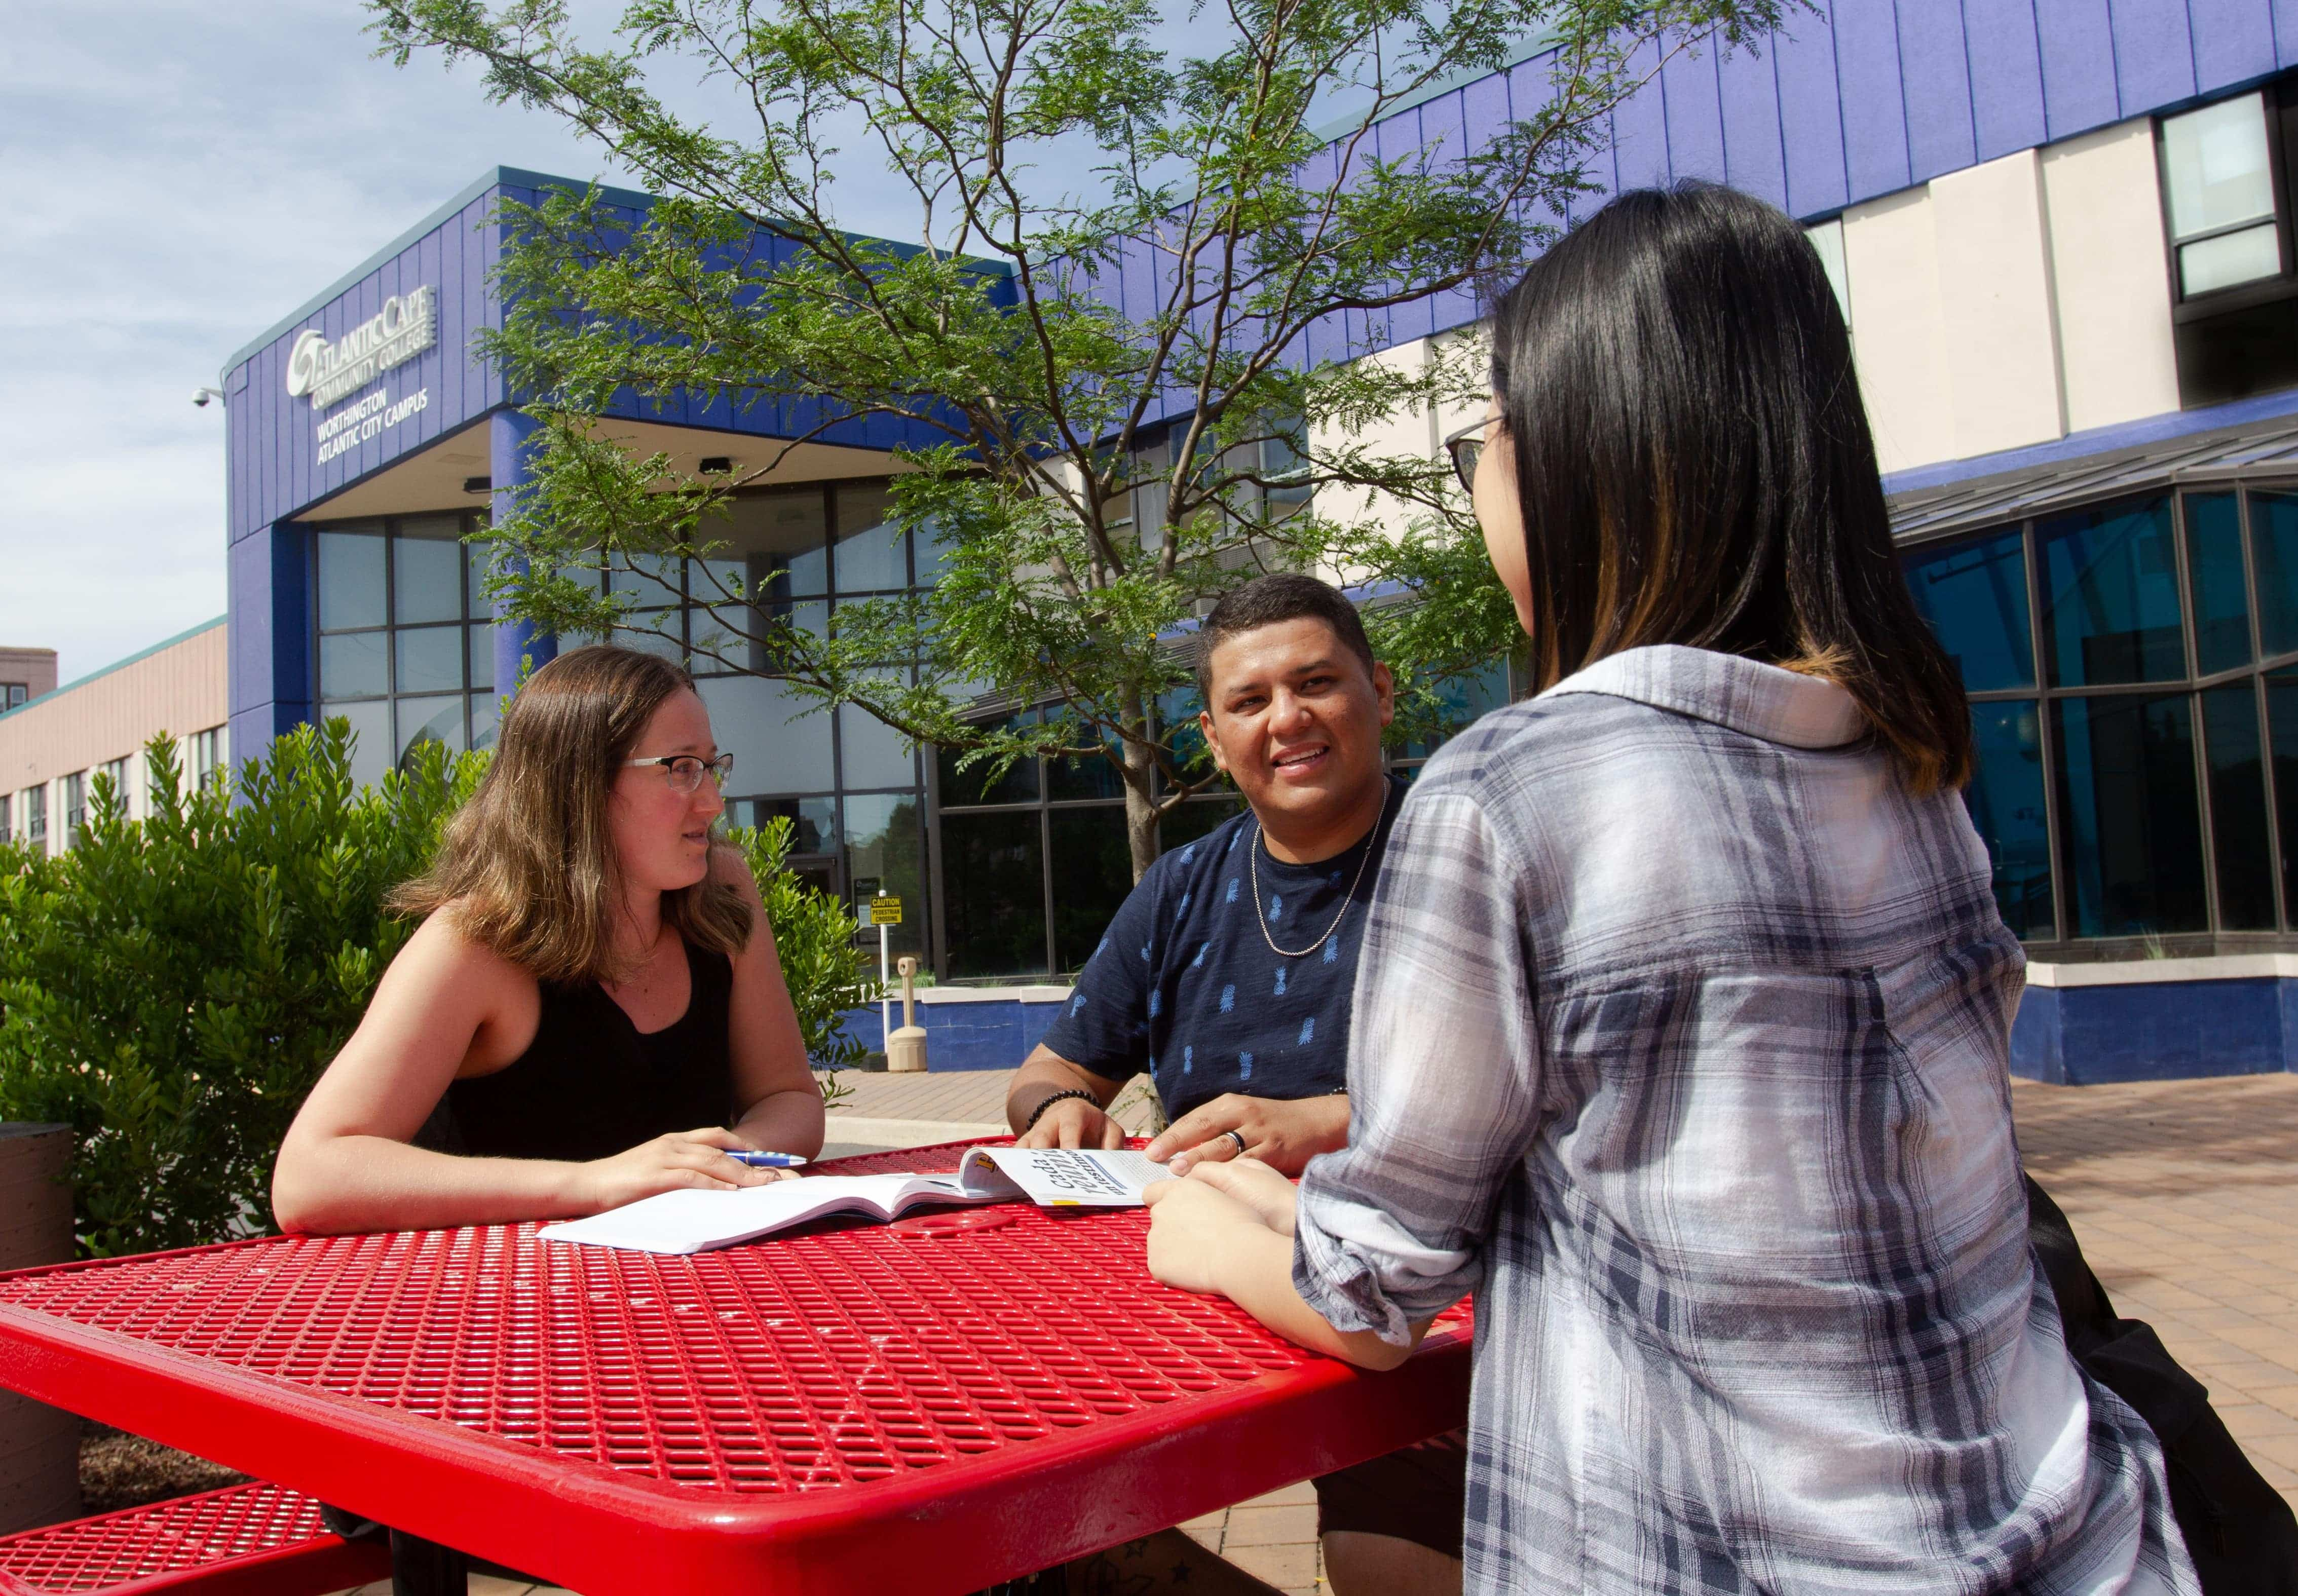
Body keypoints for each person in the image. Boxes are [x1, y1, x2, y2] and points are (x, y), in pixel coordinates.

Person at [1144, 183, 2198, 1593]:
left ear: (1593, 462)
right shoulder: (1904, 754)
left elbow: (1372, 1294)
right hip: (2071, 1539)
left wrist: (1205, 1232)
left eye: (1489, 438)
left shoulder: (1509, 792)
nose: (1478, 477)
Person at [1005, 573, 1464, 1595]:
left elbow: (1548, 1088)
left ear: (1380, 694)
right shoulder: (1182, 885)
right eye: (1249, 703)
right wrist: (1058, 1111)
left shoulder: (1465, 853)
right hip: (1196, 1282)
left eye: (1316, 684)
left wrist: (1327, 1123)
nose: (1286, 719)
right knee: (1024, 1521)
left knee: (1383, 1566)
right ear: (1212, 739)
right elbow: (1050, 1069)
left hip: (1419, 1308)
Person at [272, 644, 824, 1236]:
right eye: (681, 768)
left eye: (712, 767)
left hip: (700, 1300)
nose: (713, 801)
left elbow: (789, 1097)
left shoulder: (723, 892)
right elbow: (311, 1176)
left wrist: (717, 1167)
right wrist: (597, 1183)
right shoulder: (475, 943)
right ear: (579, 784)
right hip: (516, 1310)